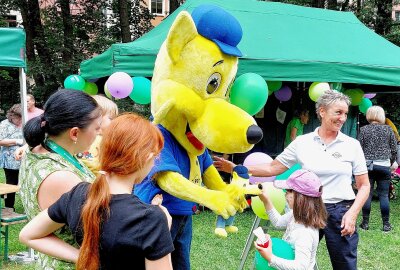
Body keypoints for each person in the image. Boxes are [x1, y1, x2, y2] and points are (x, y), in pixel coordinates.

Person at [214, 90, 370, 270]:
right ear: (322, 112)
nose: (343, 118)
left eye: (345, 113)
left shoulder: (352, 145)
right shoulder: (303, 142)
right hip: (308, 206)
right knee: (298, 260)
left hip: (341, 210)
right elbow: (273, 168)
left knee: (345, 265)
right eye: (338, 112)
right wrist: (237, 168)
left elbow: (364, 185)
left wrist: (352, 213)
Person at [19, 113, 174, 270]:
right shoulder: (151, 218)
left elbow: (28, 235)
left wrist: (84, 257)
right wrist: (163, 229)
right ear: (147, 157)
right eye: (155, 158)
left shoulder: (76, 194)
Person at [19, 89, 101, 269]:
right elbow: (99, 228)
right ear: (74, 133)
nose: (99, 133)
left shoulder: (38, 150)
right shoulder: (61, 177)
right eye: (96, 128)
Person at [255, 169, 327, 270]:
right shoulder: (296, 215)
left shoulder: (304, 233)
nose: (285, 194)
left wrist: (270, 258)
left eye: (288, 191)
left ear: (300, 198)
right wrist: (266, 200)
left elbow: (301, 267)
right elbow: (278, 222)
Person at [357, 106, 397, 232]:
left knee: (367, 194)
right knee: (384, 195)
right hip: (384, 166)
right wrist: (390, 162)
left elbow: (358, 149)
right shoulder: (388, 129)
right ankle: (386, 224)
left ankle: (365, 223)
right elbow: (394, 149)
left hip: (367, 166)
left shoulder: (363, 130)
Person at [78, 95, 119, 175]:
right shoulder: (95, 139)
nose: (115, 122)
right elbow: (90, 163)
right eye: (111, 118)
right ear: (97, 118)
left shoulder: (100, 138)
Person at [0, 104, 24, 209]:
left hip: (24, 158)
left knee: (24, 182)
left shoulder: (25, 122)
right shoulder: (4, 124)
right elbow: (1, 141)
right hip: (10, 160)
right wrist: (17, 141)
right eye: (18, 118)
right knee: (11, 183)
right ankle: (9, 207)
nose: (20, 120)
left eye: (21, 117)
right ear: (12, 116)